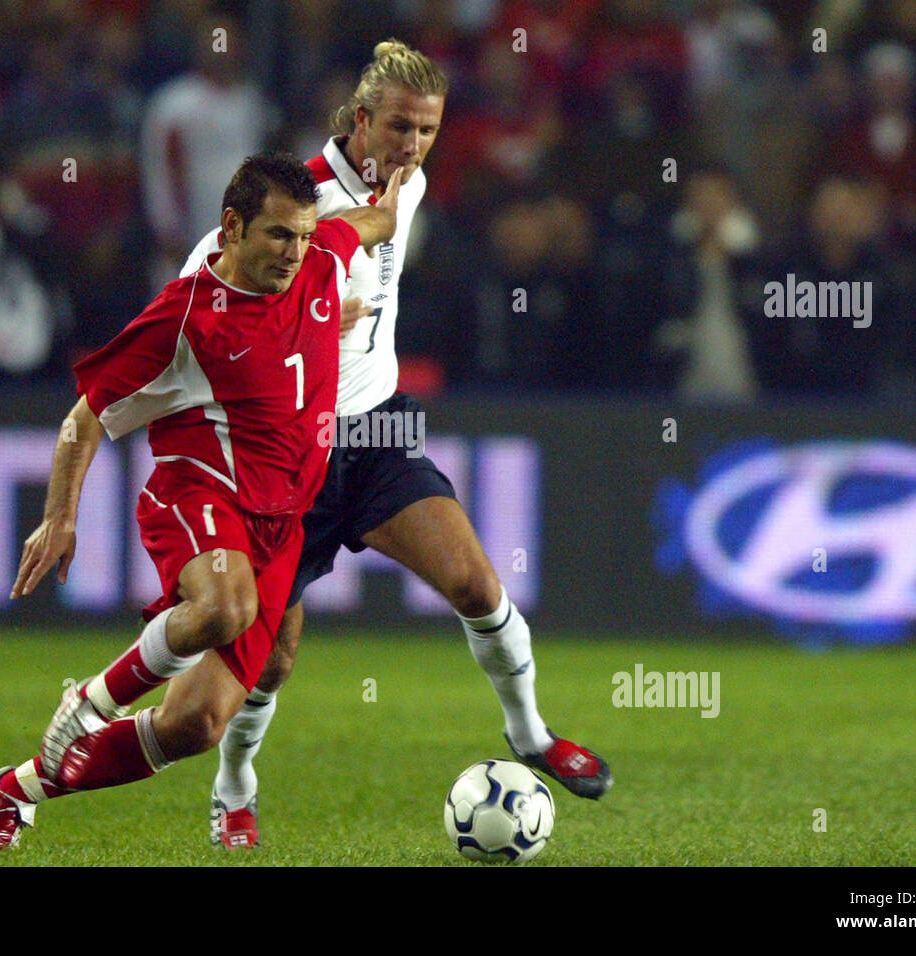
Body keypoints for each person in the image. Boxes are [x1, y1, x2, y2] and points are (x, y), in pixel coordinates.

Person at [183, 40, 613, 850]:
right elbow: (204, 299)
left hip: (378, 427)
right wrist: (290, 322)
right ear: (359, 119)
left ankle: (529, 733)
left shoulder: (405, 185)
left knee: (477, 584)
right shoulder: (292, 204)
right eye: (399, 128)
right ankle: (234, 784)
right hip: (288, 455)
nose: (412, 147)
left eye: (428, 130)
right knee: (271, 662)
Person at [0, 151, 400, 848]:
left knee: (196, 725)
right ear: (230, 227)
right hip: (200, 493)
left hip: (280, 524)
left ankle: (15, 789)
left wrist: (397, 192)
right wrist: (59, 516)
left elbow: (366, 224)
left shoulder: (321, 261)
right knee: (226, 608)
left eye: (303, 234)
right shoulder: (186, 317)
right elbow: (84, 420)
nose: (295, 252)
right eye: (277, 236)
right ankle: (90, 701)